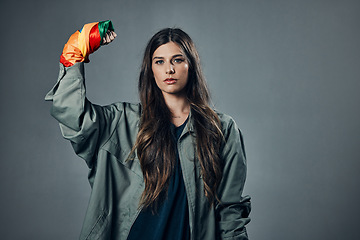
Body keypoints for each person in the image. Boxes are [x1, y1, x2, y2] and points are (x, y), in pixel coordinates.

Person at [45, 20, 251, 240]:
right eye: (159, 62)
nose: (169, 69)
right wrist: (74, 53)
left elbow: (230, 211)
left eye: (177, 60)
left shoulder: (222, 129)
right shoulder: (122, 122)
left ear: (191, 65)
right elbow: (72, 117)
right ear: (151, 70)